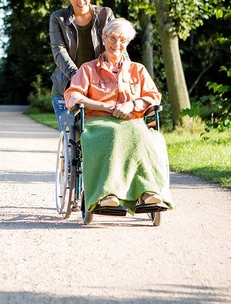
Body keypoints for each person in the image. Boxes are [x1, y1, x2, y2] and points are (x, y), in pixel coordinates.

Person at [64, 17, 174, 213]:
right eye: (113, 38)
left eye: (123, 40)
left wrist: (133, 104)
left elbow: (154, 97)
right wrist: (104, 106)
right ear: (103, 38)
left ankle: (149, 192)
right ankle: (106, 194)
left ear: (128, 42)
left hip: (132, 120)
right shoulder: (88, 69)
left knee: (142, 134)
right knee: (114, 134)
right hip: (97, 123)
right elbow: (73, 96)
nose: (117, 44)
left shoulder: (137, 70)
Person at [49, 0, 115, 130]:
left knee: (101, 136)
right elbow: (59, 51)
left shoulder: (105, 15)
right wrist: (78, 77)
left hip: (100, 89)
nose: (80, 1)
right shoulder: (58, 18)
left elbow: (117, 48)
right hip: (66, 88)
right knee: (73, 139)